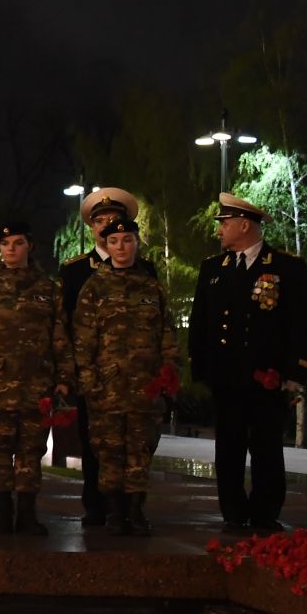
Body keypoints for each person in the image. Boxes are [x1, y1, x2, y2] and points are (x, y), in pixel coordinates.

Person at [190, 192, 307, 530]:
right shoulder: (213, 269)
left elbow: (302, 325)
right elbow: (200, 322)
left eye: (225, 223)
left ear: (244, 225)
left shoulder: (286, 267)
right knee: (228, 449)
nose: (220, 230)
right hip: (227, 378)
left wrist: (294, 373)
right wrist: (201, 368)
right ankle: (233, 513)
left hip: (267, 377)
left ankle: (264, 514)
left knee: (266, 449)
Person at [0, 220, 73, 536]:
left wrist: (64, 377)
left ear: (30, 246)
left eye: (19, 243)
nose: (12, 249)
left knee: (31, 452)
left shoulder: (47, 289)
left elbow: (59, 336)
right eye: (6, 244)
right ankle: (1, 513)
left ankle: (26, 514)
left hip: (36, 385)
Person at [73, 216, 178, 535]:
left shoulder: (151, 286)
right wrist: (89, 381)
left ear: (136, 243)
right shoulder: (95, 287)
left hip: (146, 389)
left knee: (140, 452)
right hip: (108, 389)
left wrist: (170, 374)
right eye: (114, 242)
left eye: (127, 240)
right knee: (109, 451)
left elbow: (167, 335)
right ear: (106, 245)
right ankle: (115, 513)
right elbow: (83, 339)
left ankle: (136, 510)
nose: (121, 247)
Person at [59, 187, 158, 525]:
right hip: (98, 377)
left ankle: (132, 507)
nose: (107, 227)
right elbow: (70, 325)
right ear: (92, 227)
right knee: (96, 443)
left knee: (138, 446)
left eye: (113, 220)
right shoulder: (76, 272)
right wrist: (78, 373)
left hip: (139, 378)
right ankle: (97, 506)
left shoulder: (147, 273)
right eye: (100, 221)